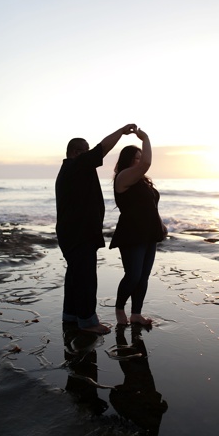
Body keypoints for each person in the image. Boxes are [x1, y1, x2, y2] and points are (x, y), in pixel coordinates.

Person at [56, 124, 138, 334]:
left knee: (75, 275)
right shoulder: (77, 165)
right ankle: (88, 321)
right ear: (77, 153)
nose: (91, 154)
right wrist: (121, 132)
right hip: (79, 234)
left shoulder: (72, 171)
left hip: (73, 233)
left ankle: (71, 315)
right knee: (85, 277)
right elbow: (103, 148)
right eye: (86, 150)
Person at [110, 128, 166, 326]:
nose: (141, 161)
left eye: (141, 157)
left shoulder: (143, 182)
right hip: (131, 234)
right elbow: (147, 163)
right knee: (133, 275)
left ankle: (136, 314)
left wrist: (160, 225)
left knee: (143, 276)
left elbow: (152, 206)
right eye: (137, 158)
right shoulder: (123, 178)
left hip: (149, 233)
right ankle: (119, 309)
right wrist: (146, 138)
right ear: (128, 161)